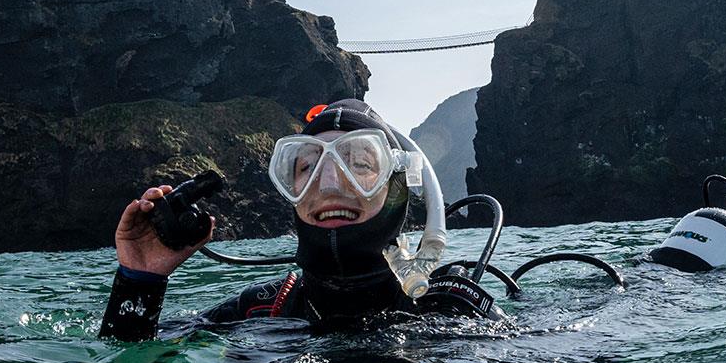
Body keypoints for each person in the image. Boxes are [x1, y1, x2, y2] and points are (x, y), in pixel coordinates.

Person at [99, 99, 496, 341]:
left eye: (358, 162)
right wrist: (141, 281)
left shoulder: (450, 309)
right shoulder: (261, 310)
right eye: (306, 166)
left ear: (395, 188)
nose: (328, 183)